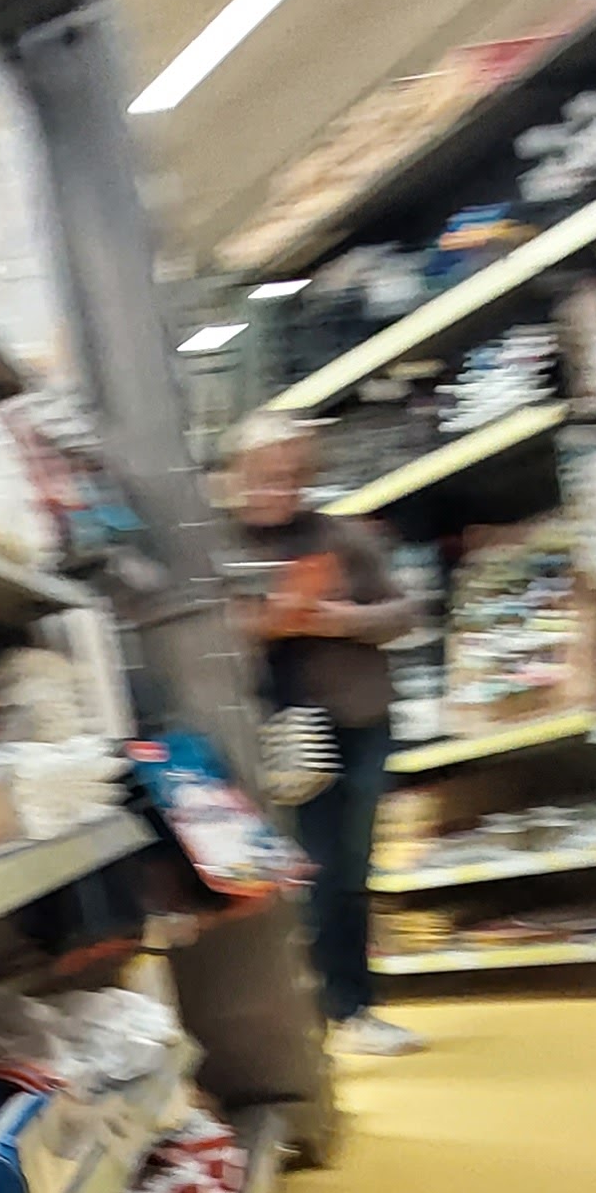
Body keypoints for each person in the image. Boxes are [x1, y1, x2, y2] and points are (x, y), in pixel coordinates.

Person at [227, 414, 426, 1059]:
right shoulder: (215, 548)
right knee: (305, 874)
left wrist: (340, 620)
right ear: (238, 476)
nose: (280, 488)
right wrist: (254, 626)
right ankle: (311, 1015)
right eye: (267, 476)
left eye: (292, 476)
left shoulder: (341, 536)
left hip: (357, 721)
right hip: (276, 732)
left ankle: (352, 1008)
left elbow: (405, 613)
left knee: (349, 869)